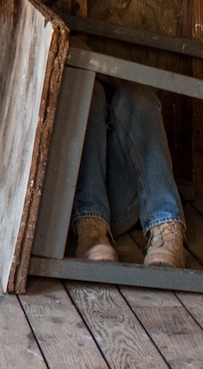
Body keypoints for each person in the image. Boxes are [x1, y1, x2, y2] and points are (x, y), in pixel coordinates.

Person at [71, 77, 187, 268]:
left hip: (125, 202)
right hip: (77, 204)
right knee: (86, 89)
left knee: (139, 94)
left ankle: (166, 227)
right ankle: (91, 229)